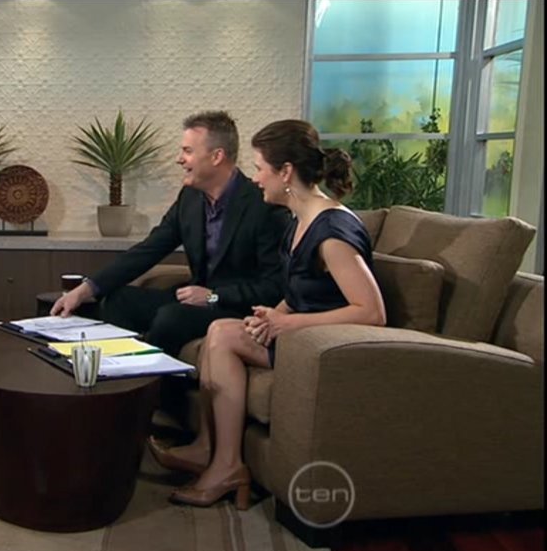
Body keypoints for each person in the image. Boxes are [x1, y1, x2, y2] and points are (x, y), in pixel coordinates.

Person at [149, 119, 386, 510]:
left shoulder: (332, 231)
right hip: (302, 335)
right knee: (222, 329)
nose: (256, 178)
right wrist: (271, 316)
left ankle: (226, 466)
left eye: (260, 168)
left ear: (286, 172)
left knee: (223, 335)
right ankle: (210, 449)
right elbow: (302, 290)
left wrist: (287, 323)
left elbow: (372, 312)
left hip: (325, 346)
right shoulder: (300, 222)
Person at [51, 111, 290, 358]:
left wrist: (214, 297)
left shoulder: (263, 205)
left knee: (171, 318)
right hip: (195, 300)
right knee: (119, 300)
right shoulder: (190, 198)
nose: (180, 159)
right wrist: (86, 289)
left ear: (217, 156)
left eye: (188, 151)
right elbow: (149, 249)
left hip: (236, 307)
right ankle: (117, 370)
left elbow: (274, 287)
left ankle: (151, 379)